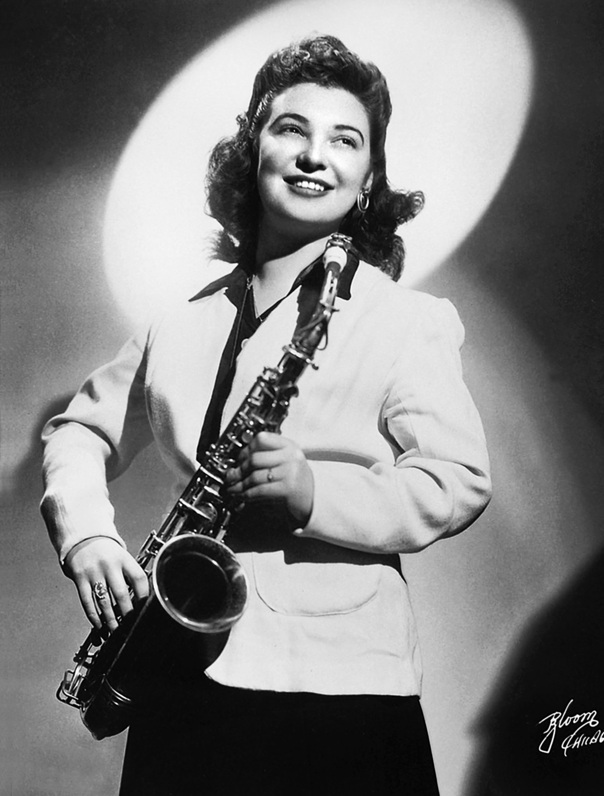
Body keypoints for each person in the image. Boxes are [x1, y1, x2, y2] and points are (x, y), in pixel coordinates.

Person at [41, 35, 491, 795]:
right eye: (291, 129)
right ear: (252, 146)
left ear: (369, 174)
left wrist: (317, 494)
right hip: (184, 674)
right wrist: (86, 535)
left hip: (345, 693)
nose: (316, 155)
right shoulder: (177, 322)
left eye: (345, 140)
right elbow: (79, 431)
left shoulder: (408, 321)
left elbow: (459, 480)